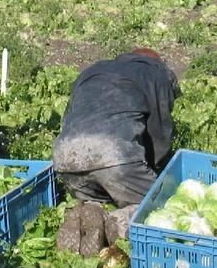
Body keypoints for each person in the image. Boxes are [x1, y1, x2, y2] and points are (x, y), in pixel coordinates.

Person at [53, 48, 181, 209]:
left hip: (65, 157)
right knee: (160, 209)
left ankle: (81, 222)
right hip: (114, 155)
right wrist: (155, 165)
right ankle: (122, 223)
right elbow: (159, 132)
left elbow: (67, 119)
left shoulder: (91, 71)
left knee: (94, 209)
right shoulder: (155, 72)